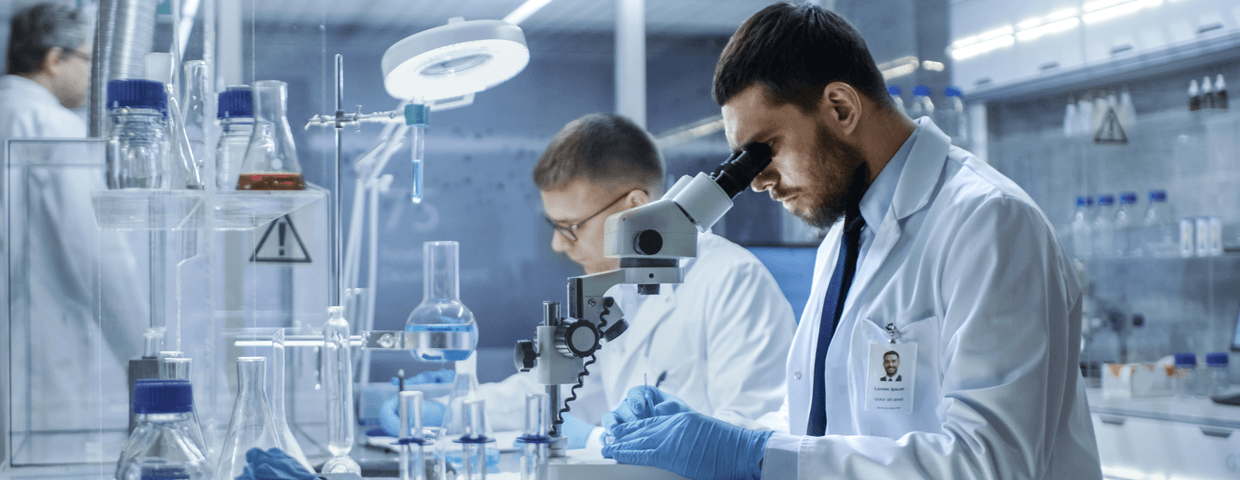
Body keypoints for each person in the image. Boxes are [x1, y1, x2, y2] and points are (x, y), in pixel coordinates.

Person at [600, 3, 1102, 479]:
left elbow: (990, 462)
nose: (756, 181)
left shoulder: (988, 222)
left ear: (840, 107)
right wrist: (718, 433)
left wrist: (749, 455)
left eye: (764, 149)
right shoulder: (843, 240)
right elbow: (818, 431)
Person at [383, 113, 796, 447]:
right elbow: (556, 393)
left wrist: (602, 440)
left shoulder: (732, 281)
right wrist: (450, 406)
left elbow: (755, 438)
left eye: (570, 226)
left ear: (634, 207)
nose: (558, 245)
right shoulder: (615, 287)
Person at [1, 2, 147, 431]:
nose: (89, 74)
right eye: (86, 59)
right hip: (36, 372)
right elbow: (97, 254)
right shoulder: (53, 128)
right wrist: (143, 361)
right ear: (53, 59)